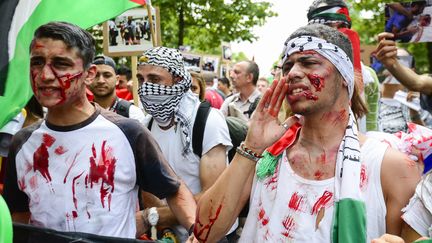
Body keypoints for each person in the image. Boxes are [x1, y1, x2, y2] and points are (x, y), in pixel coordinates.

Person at [194, 24, 420, 243]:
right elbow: (206, 233)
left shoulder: (390, 168)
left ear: (344, 76)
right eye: (287, 66)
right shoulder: (267, 156)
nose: (292, 73)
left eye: (309, 62)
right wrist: (251, 147)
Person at [2, 21, 196, 239]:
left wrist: (195, 234)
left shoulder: (128, 132)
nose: (45, 75)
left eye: (61, 64)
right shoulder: (22, 142)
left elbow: (175, 191)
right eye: (37, 62)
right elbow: (19, 216)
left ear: (89, 74)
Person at [136, 47, 235, 242]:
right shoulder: (146, 125)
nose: (145, 87)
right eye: (141, 79)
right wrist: (164, 227)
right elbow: (148, 185)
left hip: (208, 235)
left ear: (179, 80)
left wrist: (153, 217)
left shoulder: (207, 120)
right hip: (167, 235)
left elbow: (213, 197)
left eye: (155, 80)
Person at [376, 32, 432, 115]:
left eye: (404, 61)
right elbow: (417, 82)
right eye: (396, 58)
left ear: (412, 70)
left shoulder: (416, 100)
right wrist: (393, 65)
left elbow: (417, 83)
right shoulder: (372, 95)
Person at [88, 55, 145, 123]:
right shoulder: (80, 114)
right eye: (96, 75)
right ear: (88, 78)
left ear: (117, 80)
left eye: (107, 75)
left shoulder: (132, 113)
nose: (101, 81)